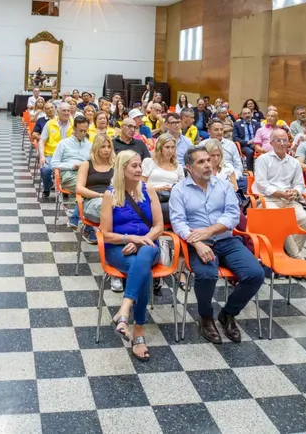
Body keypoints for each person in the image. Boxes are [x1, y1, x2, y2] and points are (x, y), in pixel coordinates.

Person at [171, 146, 264, 344]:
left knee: (255, 274)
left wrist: (210, 230)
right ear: (189, 167)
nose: (207, 165)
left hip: (226, 239)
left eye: (208, 160)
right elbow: (178, 223)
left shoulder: (223, 185)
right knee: (206, 275)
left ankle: (228, 313)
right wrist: (198, 243)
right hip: (199, 243)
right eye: (201, 162)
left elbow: (232, 215)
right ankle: (206, 317)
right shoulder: (179, 190)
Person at [99, 151, 165, 360]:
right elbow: (106, 234)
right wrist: (131, 239)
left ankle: (125, 308)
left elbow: (159, 227)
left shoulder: (149, 190)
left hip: (148, 246)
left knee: (144, 254)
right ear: (122, 169)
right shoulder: (111, 195)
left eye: (139, 166)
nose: (139, 170)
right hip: (119, 249)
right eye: (134, 166)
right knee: (142, 270)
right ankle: (138, 332)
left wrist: (141, 240)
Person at [253, 129, 306, 257]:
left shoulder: (294, 162)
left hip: (288, 200)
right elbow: (262, 184)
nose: (281, 143)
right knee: (280, 219)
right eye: (278, 140)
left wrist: (295, 191)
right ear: (271, 143)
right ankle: (296, 257)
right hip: (267, 199)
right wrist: (280, 193)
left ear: (288, 142)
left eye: (284, 140)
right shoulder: (262, 159)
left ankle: (286, 254)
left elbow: (299, 184)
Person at [52, 116, 92, 227]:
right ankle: (87, 225)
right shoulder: (63, 144)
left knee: (91, 190)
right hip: (69, 174)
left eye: (85, 131)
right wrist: (71, 166)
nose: (83, 133)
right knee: (88, 191)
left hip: (86, 174)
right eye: (81, 130)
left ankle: (75, 217)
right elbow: (53, 164)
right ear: (74, 128)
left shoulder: (90, 145)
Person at [76, 134, 115, 245]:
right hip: (92, 200)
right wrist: (99, 195)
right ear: (96, 148)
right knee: (105, 205)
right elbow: (79, 188)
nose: (106, 150)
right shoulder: (87, 164)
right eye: (103, 147)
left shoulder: (114, 165)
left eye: (109, 146)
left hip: (112, 198)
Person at [143, 133, 185, 216]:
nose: (170, 151)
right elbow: (140, 185)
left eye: (173, 147)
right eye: (167, 147)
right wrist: (159, 188)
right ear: (160, 148)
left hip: (172, 197)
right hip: (152, 196)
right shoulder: (149, 162)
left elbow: (183, 188)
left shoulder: (178, 166)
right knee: (167, 208)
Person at [38, 102, 73, 199]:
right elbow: (42, 141)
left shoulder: (74, 124)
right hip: (51, 154)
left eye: (68, 111)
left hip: (68, 155)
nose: (66, 113)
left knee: (70, 169)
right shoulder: (50, 124)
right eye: (64, 111)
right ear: (58, 111)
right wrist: (42, 156)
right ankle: (47, 188)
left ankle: (66, 188)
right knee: (45, 169)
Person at [208, 119, 244, 186]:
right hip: (211, 178)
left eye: (221, 129)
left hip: (232, 177)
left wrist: (234, 177)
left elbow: (238, 165)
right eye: (216, 130)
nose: (220, 132)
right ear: (209, 131)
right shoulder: (203, 145)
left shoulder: (231, 144)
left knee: (246, 183)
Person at [233, 106, 260, 171]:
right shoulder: (237, 124)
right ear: (241, 115)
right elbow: (235, 138)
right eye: (245, 113)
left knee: (263, 150)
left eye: (249, 113)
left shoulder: (257, 124)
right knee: (250, 152)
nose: (247, 115)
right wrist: (247, 142)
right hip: (244, 145)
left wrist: (256, 142)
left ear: (251, 114)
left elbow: (260, 135)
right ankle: (251, 172)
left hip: (255, 144)